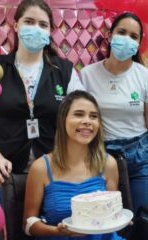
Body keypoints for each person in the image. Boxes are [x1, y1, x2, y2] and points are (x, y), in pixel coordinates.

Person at [0, 0, 84, 239]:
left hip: (55, 171)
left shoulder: (64, 70)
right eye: (29, 22)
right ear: (16, 25)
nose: (35, 28)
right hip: (6, 171)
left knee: (53, 232)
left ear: (50, 31)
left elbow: (82, 120)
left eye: (43, 24)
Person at [80, 12, 148, 214]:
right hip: (99, 154)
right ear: (109, 35)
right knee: (104, 218)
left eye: (133, 36)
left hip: (140, 156)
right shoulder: (87, 75)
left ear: (138, 43)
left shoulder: (147, 77)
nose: (127, 39)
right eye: (122, 32)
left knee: (147, 220)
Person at [23, 90, 123, 240]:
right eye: (79, 114)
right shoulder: (41, 168)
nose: (87, 121)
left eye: (93, 116)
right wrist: (58, 232)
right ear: (63, 119)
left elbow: (111, 216)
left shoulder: (108, 163)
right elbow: (28, 225)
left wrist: (120, 220)